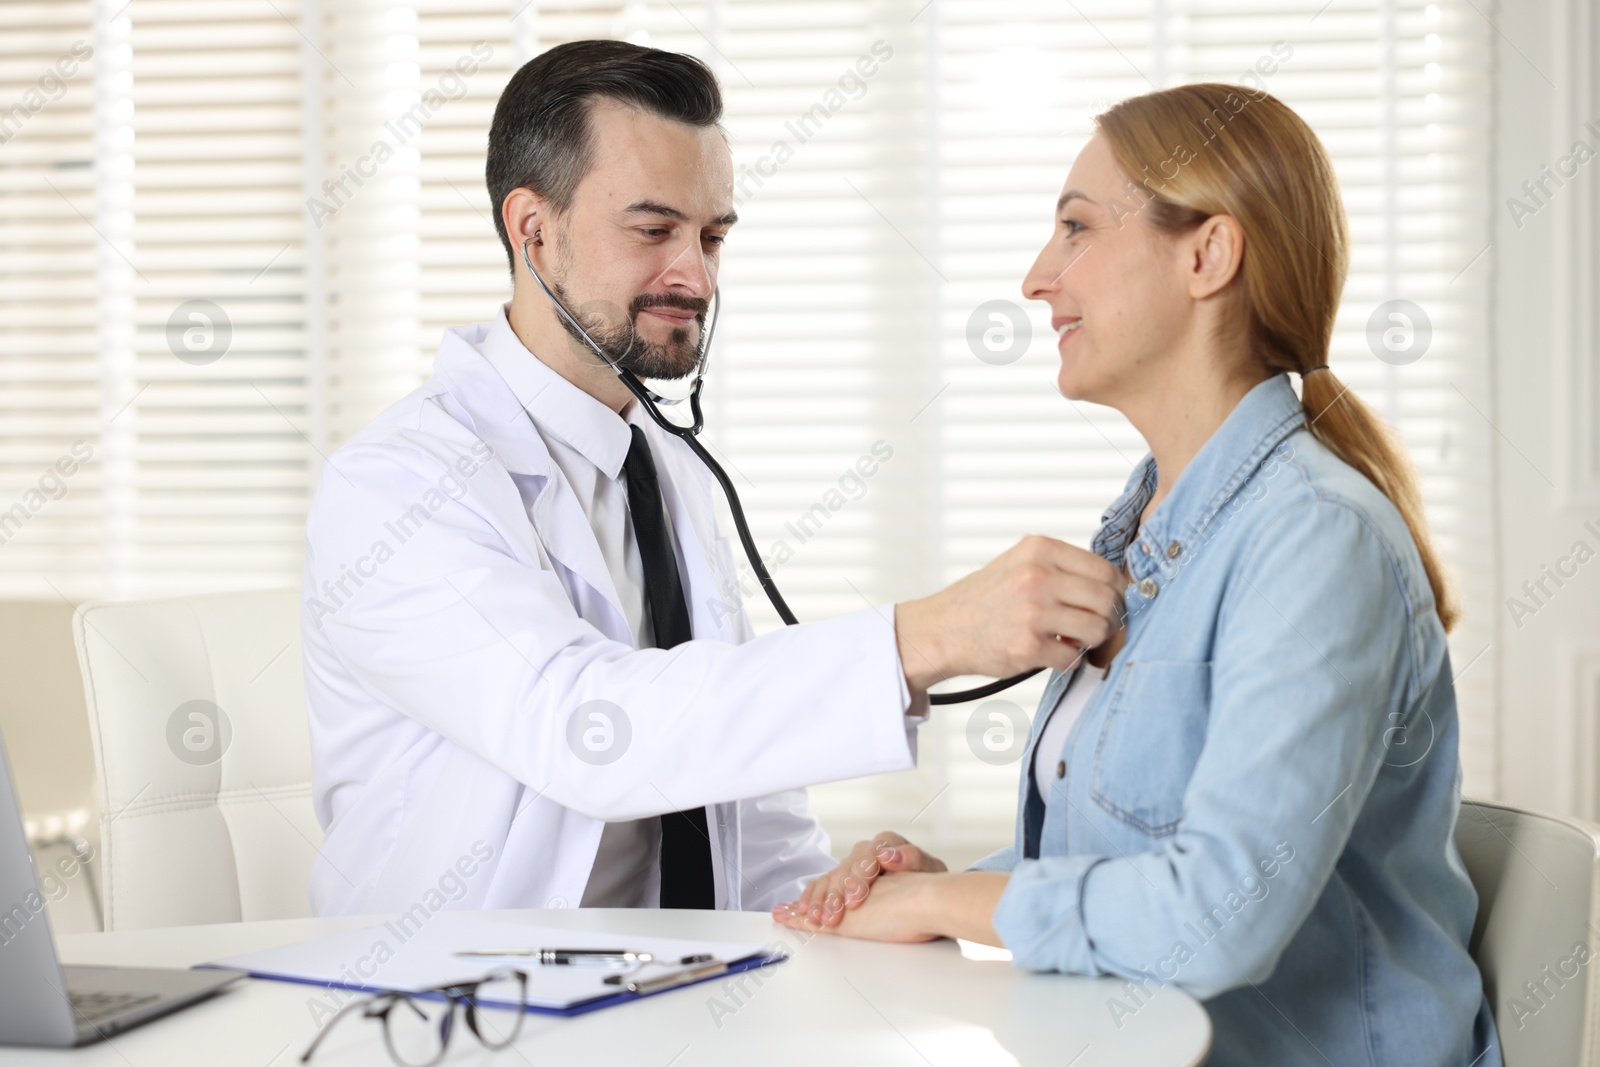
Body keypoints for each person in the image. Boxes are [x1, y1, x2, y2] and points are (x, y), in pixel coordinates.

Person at [300, 40, 1127, 918]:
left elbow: (738, 801)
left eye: (712, 235)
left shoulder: (665, 471)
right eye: (653, 231)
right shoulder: (396, 486)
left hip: (671, 997)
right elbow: (587, 727)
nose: (694, 275)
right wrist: (924, 637)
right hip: (463, 1018)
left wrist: (823, 906)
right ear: (533, 230)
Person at [776, 83, 1501, 1066]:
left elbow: (1217, 912)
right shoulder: (1147, 535)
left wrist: (941, 903)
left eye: (1075, 228)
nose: (1037, 278)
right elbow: (1137, 862)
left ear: (1206, 254)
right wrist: (950, 880)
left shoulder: (1314, 540)